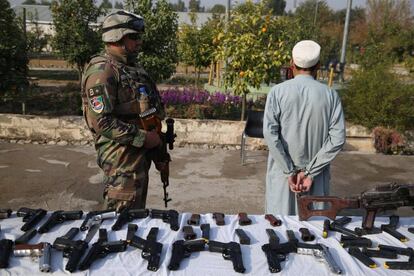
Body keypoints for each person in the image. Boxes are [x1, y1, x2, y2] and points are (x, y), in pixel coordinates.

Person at [81, 10, 165, 211]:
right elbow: (101, 122)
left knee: (135, 217)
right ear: (117, 37)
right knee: (118, 223)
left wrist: (158, 151)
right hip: (121, 161)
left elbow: (145, 112)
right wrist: (143, 138)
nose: (139, 42)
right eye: (133, 37)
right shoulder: (103, 71)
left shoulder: (131, 68)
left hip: (137, 159)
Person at [263, 40, 346, 215]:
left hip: (283, 176)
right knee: (314, 228)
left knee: (279, 227)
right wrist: (310, 172)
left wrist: (289, 171)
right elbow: (337, 139)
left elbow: (270, 135)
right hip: (315, 179)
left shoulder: (277, 92)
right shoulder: (330, 95)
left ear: (292, 64)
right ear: (319, 66)